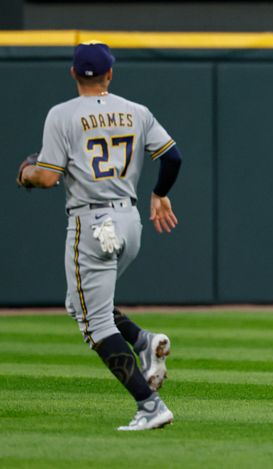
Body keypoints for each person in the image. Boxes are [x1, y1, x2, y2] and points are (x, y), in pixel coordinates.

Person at [17, 41, 183, 430]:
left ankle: (150, 406)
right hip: (129, 224)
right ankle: (144, 342)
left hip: (91, 225)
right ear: (110, 74)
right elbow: (172, 157)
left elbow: (48, 176)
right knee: (85, 306)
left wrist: (24, 173)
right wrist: (159, 194)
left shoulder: (62, 114)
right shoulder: (136, 111)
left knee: (94, 325)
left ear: (73, 74)